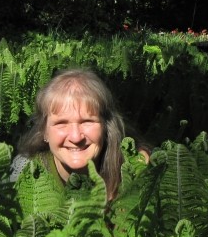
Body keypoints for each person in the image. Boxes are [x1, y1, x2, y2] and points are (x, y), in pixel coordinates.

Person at [10, 69, 150, 208]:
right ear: (44, 131)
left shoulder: (135, 169)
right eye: (61, 124)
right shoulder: (25, 173)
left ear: (106, 126)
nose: (76, 137)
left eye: (87, 122)